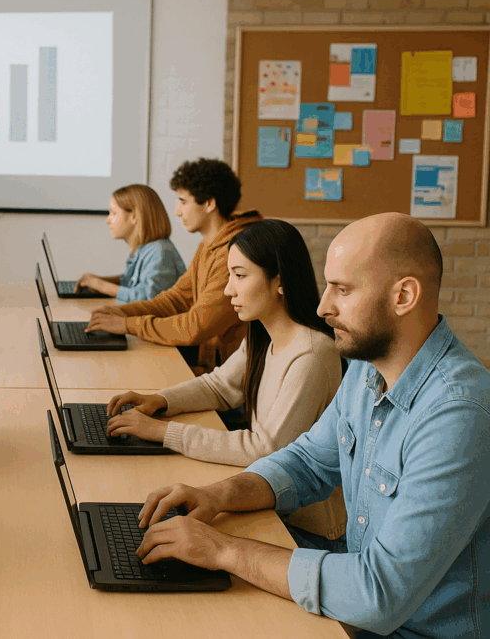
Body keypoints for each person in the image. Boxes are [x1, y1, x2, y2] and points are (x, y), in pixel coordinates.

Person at [133, 213, 490, 639]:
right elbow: (307, 462)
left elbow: (377, 593)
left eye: (343, 289)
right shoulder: (366, 369)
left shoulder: (457, 415)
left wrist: (224, 549)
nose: (323, 306)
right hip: (361, 607)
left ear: (404, 296)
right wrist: (215, 495)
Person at [105, 220, 345, 542]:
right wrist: (161, 400)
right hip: (262, 501)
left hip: (300, 525)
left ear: (281, 281)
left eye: (240, 276)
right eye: (230, 275)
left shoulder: (312, 355)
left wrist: (163, 432)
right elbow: (220, 386)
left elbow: (265, 448)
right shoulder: (263, 331)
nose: (228, 289)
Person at [87, 158, 261, 374]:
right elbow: (176, 299)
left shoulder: (234, 252)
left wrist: (127, 324)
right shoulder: (208, 246)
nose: (177, 212)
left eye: (183, 201)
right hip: (213, 367)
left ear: (209, 203)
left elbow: (195, 326)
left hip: (233, 384)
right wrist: (120, 313)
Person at [74, 184, 186, 304]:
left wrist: (100, 285)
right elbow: (130, 281)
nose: (108, 220)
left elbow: (146, 298)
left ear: (134, 216)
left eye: (113, 213)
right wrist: (97, 281)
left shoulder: (160, 252)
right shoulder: (144, 249)